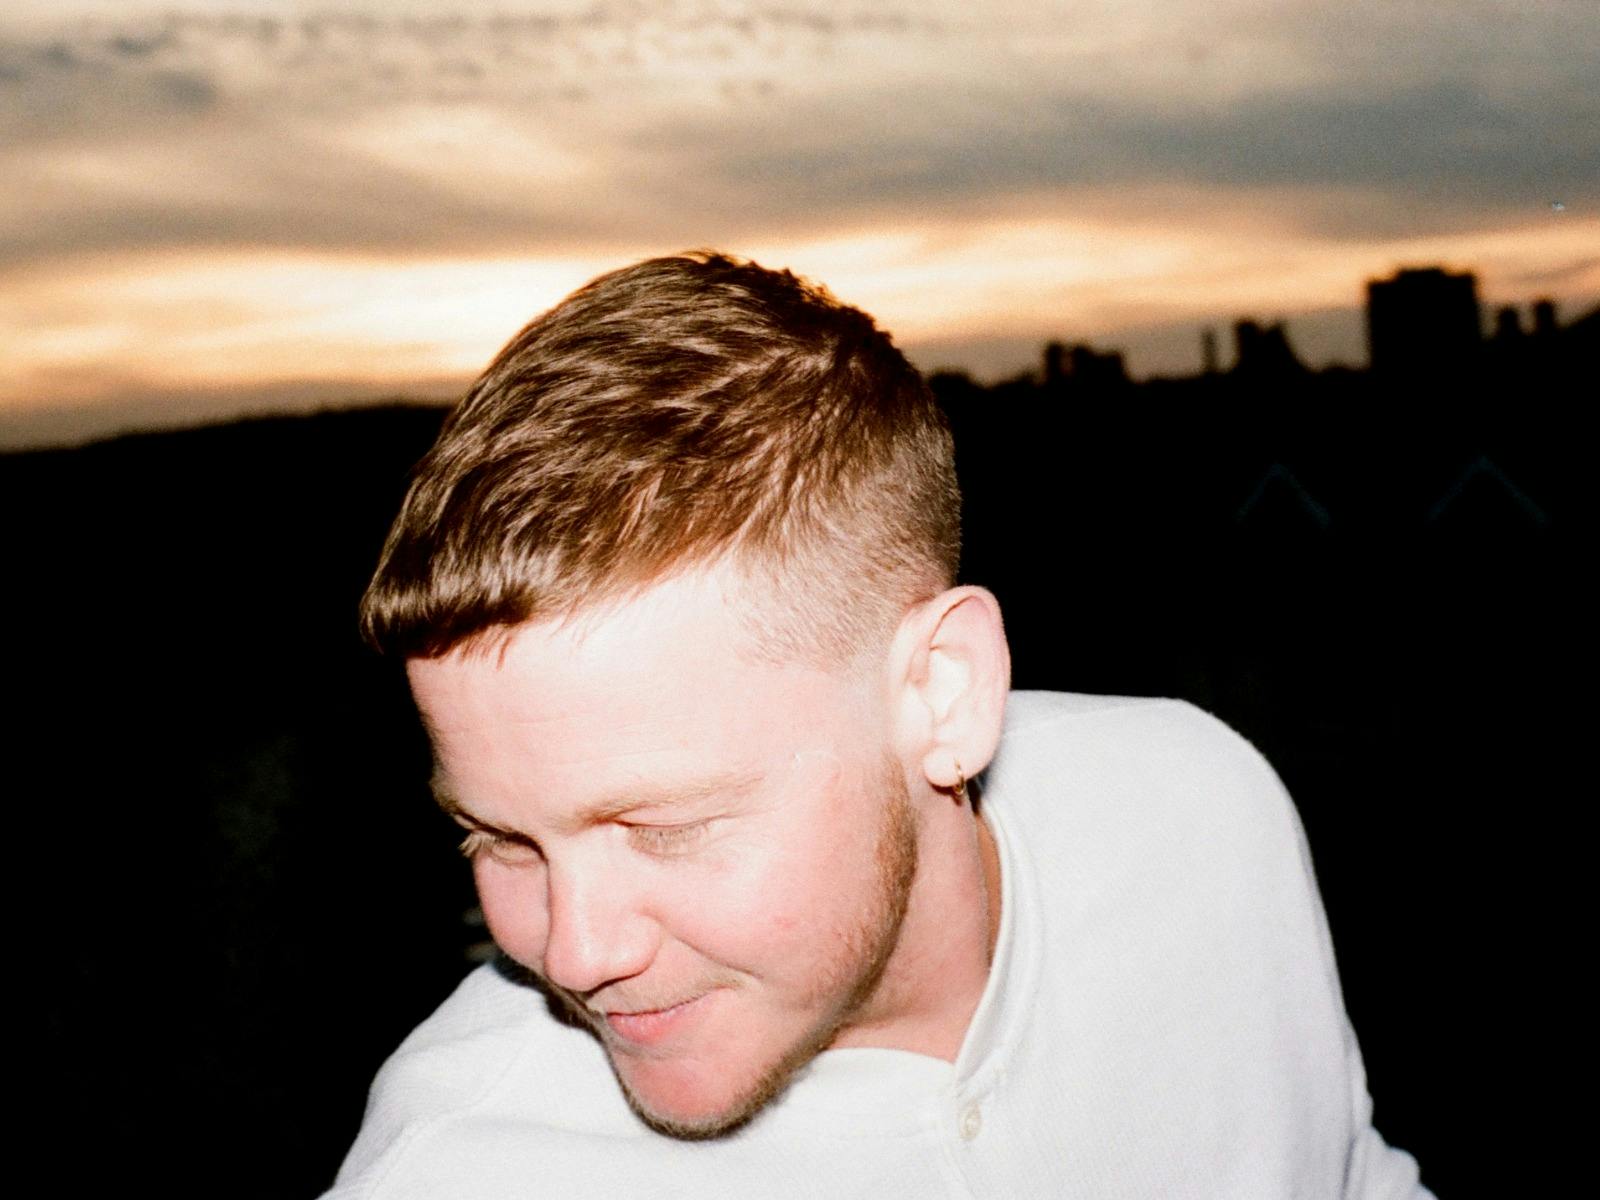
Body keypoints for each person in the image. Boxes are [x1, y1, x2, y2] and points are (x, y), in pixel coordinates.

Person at [328, 251, 1430, 1198]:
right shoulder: (468, 1171)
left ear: (942, 694)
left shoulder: (1195, 805)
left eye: (662, 828)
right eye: (502, 840)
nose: (572, 950)